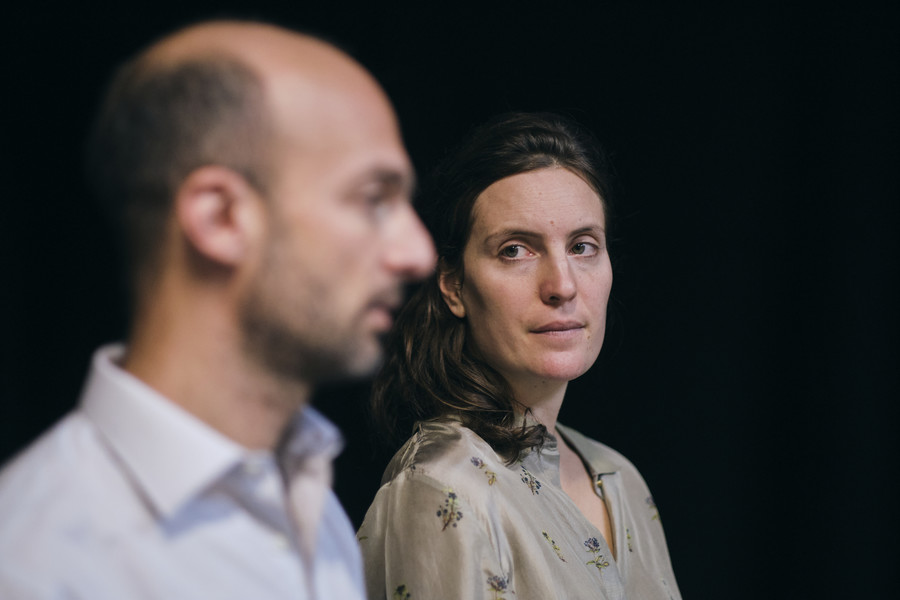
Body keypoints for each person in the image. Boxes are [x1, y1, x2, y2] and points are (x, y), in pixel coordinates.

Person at [0, 20, 436, 599]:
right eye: (373, 199)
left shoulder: (312, 504)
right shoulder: (33, 566)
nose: (418, 253)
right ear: (221, 218)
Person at [358, 112, 680, 599]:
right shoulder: (442, 487)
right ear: (454, 286)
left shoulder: (620, 478)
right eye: (515, 250)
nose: (562, 285)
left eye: (583, 246)